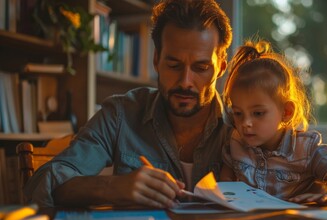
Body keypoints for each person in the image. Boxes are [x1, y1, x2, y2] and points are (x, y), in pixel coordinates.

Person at [24, 0, 232, 208]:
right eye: (174, 65)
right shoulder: (121, 113)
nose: (186, 81)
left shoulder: (242, 125)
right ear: (156, 60)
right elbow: (43, 183)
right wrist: (111, 187)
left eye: (201, 67)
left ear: (221, 66)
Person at [220, 40, 327, 206]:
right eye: (238, 113)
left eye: (258, 113)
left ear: (286, 112)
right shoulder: (236, 143)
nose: (245, 123)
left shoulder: (306, 150)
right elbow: (225, 188)